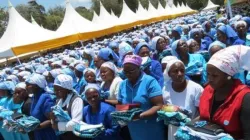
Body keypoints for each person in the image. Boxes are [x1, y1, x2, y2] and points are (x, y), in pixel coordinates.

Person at [199, 45, 250, 139]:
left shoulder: (245, 97)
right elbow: (202, 117)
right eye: (208, 74)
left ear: (228, 75)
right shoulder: (207, 90)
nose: (209, 79)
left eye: (215, 76)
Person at [118, 55, 166, 140]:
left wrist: (140, 116)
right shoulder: (123, 84)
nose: (128, 74)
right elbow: (121, 105)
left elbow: (159, 105)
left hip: (152, 129)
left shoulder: (150, 82)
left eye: (131, 71)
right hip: (134, 130)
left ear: (139, 68)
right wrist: (122, 113)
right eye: (125, 71)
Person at [162, 59, 203, 140]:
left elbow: (202, 113)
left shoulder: (196, 88)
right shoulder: (166, 89)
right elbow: (164, 108)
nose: (179, 74)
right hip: (173, 130)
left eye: (182, 70)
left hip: (192, 130)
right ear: (169, 74)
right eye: (175, 71)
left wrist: (188, 124)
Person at [51, 74, 83, 140]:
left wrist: (58, 126)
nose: (56, 92)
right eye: (55, 90)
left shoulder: (76, 100)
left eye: (58, 90)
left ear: (66, 89)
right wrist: (53, 119)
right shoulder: (59, 101)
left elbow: (76, 123)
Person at [25, 74, 57, 140]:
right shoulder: (34, 97)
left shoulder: (45, 98)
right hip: (39, 134)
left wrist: (37, 127)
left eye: (28, 85)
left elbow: (52, 120)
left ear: (36, 86)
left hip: (48, 134)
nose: (26, 87)